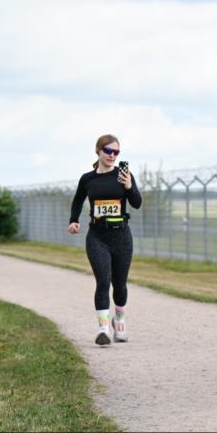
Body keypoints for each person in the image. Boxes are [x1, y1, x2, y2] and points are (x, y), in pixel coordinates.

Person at [68, 134, 142, 346]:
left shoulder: (124, 175)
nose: (112, 155)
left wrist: (129, 186)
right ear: (98, 151)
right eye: (108, 151)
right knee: (103, 281)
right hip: (97, 236)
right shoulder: (88, 179)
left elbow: (136, 203)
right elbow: (78, 200)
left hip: (121, 236)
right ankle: (103, 330)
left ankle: (120, 322)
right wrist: (74, 220)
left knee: (119, 284)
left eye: (116, 152)